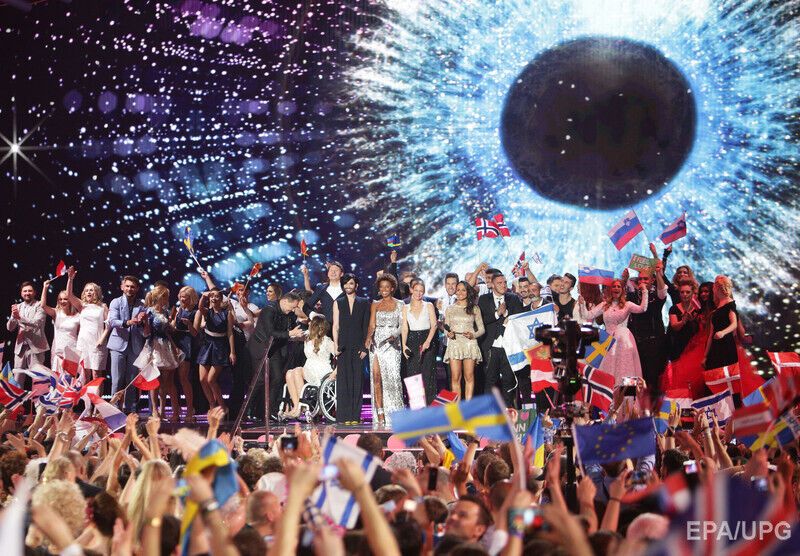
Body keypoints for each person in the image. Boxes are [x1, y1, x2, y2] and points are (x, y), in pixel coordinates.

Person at [245, 291, 304, 419]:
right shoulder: (269, 310)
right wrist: (290, 334)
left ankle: (269, 411)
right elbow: (271, 332)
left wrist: (299, 334)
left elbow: (292, 329)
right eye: (292, 307)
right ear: (284, 301)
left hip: (274, 348)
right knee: (260, 380)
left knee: (277, 377)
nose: (293, 310)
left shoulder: (289, 313)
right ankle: (247, 410)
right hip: (260, 346)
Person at [578, 278, 648, 385]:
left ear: (622, 290)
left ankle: (626, 393)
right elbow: (588, 315)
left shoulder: (628, 305)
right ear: (610, 290)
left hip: (623, 340)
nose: (616, 288)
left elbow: (642, 309)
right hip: (608, 342)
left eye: (619, 286)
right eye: (614, 286)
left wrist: (644, 291)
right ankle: (610, 393)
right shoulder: (604, 305)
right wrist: (582, 304)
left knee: (625, 367)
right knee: (608, 369)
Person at [135, 285, 185, 422]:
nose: (167, 299)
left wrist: (173, 344)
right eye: (165, 296)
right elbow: (146, 333)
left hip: (166, 347)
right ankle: (155, 411)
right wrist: (145, 321)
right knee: (154, 381)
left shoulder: (166, 312)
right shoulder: (149, 312)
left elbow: (168, 332)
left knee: (167, 382)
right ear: (159, 297)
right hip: (153, 347)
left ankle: (164, 411)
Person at [478, 272, 524, 407]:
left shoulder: (513, 298)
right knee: (490, 381)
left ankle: (509, 411)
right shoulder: (483, 299)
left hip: (508, 347)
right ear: (492, 285)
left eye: (504, 282)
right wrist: (497, 314)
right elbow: (481, 321)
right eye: (499, 283)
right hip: (491, 346)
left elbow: (519, 318)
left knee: (508, 381)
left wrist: (507, 315)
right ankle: (488, 411)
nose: (503, 285)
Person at [366, 274, 404, 427]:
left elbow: (402, 325)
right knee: (376, 377)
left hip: (392, 343)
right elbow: (372, 325)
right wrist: (368, 338)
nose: (384, 290)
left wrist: (395, 335)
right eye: (381, 287)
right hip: (377, 342)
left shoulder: (400, 304)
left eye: (387, 287)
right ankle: (380, 413)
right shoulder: (375, 304)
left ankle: (395, 413)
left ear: (392, 288)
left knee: (392, 378)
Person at [332, 274, 370, 424]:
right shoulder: (338, 302)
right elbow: (336, 326)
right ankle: (344, 416)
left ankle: (355, 416)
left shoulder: (364, 302)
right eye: (346, 284)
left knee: (357, 381)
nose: (348, 286)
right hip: (343, 347)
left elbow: (366, 326)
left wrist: (365, 347)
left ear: (356, 285)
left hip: (358, 347)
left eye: (351, 283)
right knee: (344, 381)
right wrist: (336, 345)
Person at [106, 274, 147, 412]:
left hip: (135, 346)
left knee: (131, 380)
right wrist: (128, 322)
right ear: (122, 287)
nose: (130, 289)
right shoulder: (116, 302)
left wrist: (142, 321)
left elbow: (143, 328)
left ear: (137, 289)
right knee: (117, 380)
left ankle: (129, 409)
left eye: (133, 287)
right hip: (118, 345)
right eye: (127, 286)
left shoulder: (141, 304)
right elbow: (112, 321)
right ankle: (114, 409)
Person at [625, 262, 669, 392]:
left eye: (645, 279)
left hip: (654, 343)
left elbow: (663, 291)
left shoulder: (656, 296)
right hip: (636, 342)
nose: (642, 282)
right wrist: (624, 280)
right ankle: (631, 402)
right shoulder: (633, 296)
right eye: (640, 279)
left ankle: (651, 403)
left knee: (651, 378)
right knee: (632, 374)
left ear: (652, 280)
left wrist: (658, 273)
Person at [284, 316, 335, 418]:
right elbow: (292, 337)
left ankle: (302, 405)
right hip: (309, 368)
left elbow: (338, 355)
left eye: (311, 323)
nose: (308, 324)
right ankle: (296, 407)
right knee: (289, 373)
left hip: (320, 371)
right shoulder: (307, 337)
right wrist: (292, 333)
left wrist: (335, 371)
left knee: (297, 371)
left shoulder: (326, 341)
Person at [194, 288, 236, 412]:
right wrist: (203, 297)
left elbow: (230, 333)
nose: (214, 298)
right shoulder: (207, 312)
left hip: (220, 347)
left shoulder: (226, 313)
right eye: (212, 296)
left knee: (211, 379)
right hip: (207, 345)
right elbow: (200, 307)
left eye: (217, 296)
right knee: (202, 379)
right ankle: (212, 405)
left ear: (221, 298)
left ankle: (223, 407)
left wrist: (232, 352)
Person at [662, 280, 704, 397]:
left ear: (692, 293)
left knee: (694, 377)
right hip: (678, 347)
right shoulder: (674, 308)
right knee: (678, 377)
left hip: (694, 348)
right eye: (682, 292)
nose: (685, 294)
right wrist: (683, 321)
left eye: (687, 292)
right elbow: (674, 326)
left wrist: (695, 320)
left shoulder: (698, 308)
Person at [444, 281, 485, 401]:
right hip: (455, 343)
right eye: (458, 290)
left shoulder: (475, 308)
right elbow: (446, 328)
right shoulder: (450, 309)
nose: (460, 292)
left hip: (469, 343)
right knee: (455, 377)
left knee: (469, 377)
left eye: (463, 290)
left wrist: (473, 335)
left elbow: (482, 329)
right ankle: (457, 407)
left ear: (468, 292)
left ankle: (468, 407)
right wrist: (449, 334)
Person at [66, 268, 108, 381]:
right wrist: (70, 279)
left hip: (97, 343)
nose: (89, 292)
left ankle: (97, 394)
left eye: (91, 290)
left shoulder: (103, 306)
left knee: (96, 374)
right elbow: (69, 295)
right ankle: (85, 393)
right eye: (87, 290)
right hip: (84, 342)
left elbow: (108, 326)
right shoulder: (82, 306)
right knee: (84, 373)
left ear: (96, 292)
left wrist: (101, 340)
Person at [401, 279, 438, 404]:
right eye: (416, 290)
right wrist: (404, 345)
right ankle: (417, 407)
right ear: (411, 290)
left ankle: (430, 406)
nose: (418, 293)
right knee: (413, 375)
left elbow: (434, 325)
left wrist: (428, 341)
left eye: (421, 291)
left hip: (427, 340)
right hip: (412, 341)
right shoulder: (405, 307)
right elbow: (404, 327)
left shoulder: (428, 305)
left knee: (428, 374)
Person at [171, 286, 199, 421]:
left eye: (185, 297)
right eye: (181, 296)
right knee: (172, 379)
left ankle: (189, 410)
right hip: (175, 342)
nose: (182, 299)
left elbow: (195, 333)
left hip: (187, 343)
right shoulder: (178, 309)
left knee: (183, 377)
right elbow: (173, 325)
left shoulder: (196, 312)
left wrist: (189, 324)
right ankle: (176, 411)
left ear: (191, 298)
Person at [7, 281, 49, 369]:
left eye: (30, 291)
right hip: (20, 347)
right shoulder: (17, 307)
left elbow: (37, 323)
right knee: (17, 375)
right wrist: (13, 317)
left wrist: (19, 317)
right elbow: (10, 328)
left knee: (36, 375)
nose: (27, 293)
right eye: (25, 291)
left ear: (34, 293)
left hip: (36, 346)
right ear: (21, 293)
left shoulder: (40, 305)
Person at [41, 278, 79, 372]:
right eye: (60, 299)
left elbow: (80, 333)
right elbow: (43, 306)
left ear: (70, 300)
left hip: (72, 350)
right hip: (58, 350)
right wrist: (45, 288)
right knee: (57, 377)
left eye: (65, 299)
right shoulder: (56, 313)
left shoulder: (78, 316)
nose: (62, 301)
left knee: (70, 378)